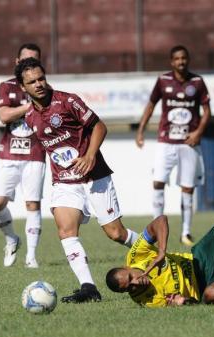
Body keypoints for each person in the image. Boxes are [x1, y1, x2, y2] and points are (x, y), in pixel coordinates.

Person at [15, 57, 139, 303]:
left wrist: (90, 155)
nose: (39, 84)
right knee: (66, 231)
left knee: (116, 233)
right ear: (23, 87)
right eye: (32, 82)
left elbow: (99, 126)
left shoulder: (67, 100)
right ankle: (89, 288)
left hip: (95, 177)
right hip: (64, 182)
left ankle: (158, 254)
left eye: (41, 78)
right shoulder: (30, 116)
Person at [136, 45, 211, 247]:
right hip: (166, 142)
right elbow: (151, 105)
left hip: (188, 144)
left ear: (188, 60)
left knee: (188, 188)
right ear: (172, 61)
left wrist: (198, 133)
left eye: (184, 58)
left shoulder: (197, 82)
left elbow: (207, 111)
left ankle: (185, 232)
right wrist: (141, 130)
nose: (181, 62)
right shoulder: (163, 80)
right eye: (177, 59)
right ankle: (155, 229)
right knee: (158, 182)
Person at [0, 43, 46, 269]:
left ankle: (31, 257)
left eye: (34, 61)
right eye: (25, 60)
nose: (29, 65)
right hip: (9, 153)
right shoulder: (6, 86)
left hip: (35, 154)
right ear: (16, 62)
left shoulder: (45, 88)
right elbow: (4, 115)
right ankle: (12, 238)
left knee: (32, 204)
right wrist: (29, 107)